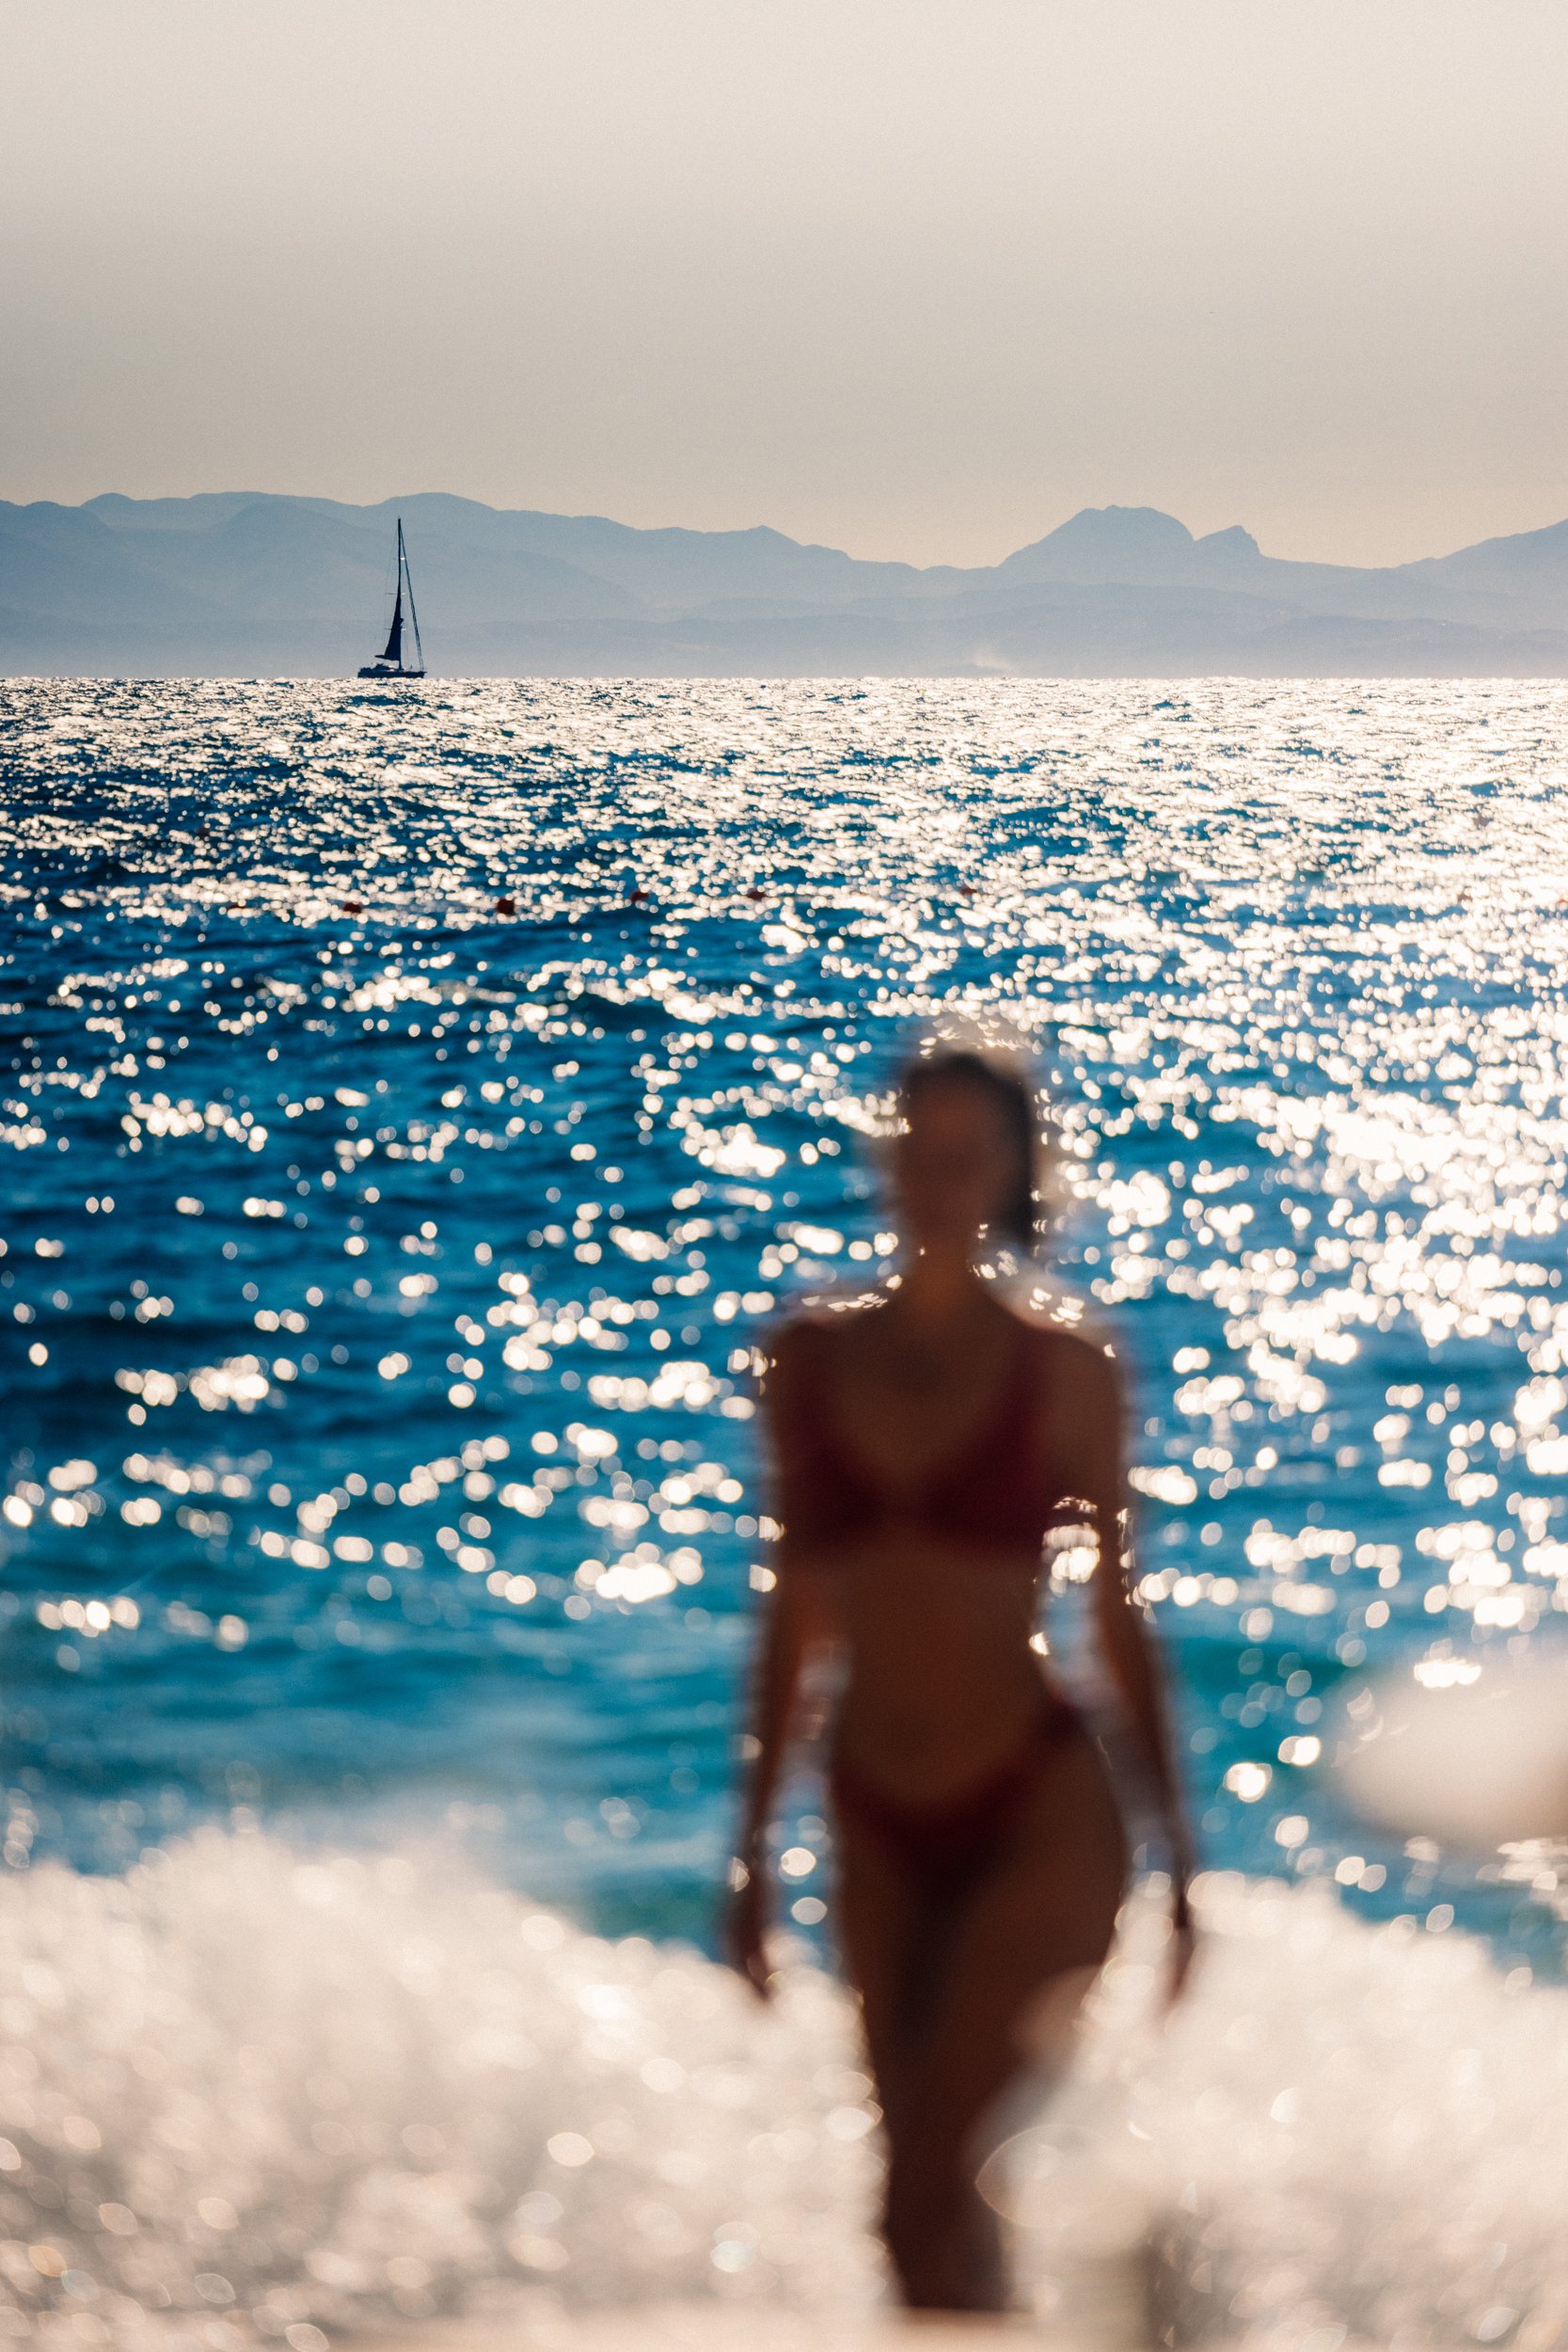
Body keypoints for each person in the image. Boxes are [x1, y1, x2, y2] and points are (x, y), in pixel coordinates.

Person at [725, 1039, 1194, 2312]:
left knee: (923, 2187)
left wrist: (1182, 1862)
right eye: (914, 1149)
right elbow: (794, 1615)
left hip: (1037, 1813)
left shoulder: (1066, 1366)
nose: (933, 1180)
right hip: (873, 1816)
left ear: (1011, 1172)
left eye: (965, 1155)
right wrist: (750, 1847)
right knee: (918, 2216)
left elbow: (1117, 1615)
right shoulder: (807, 1357)